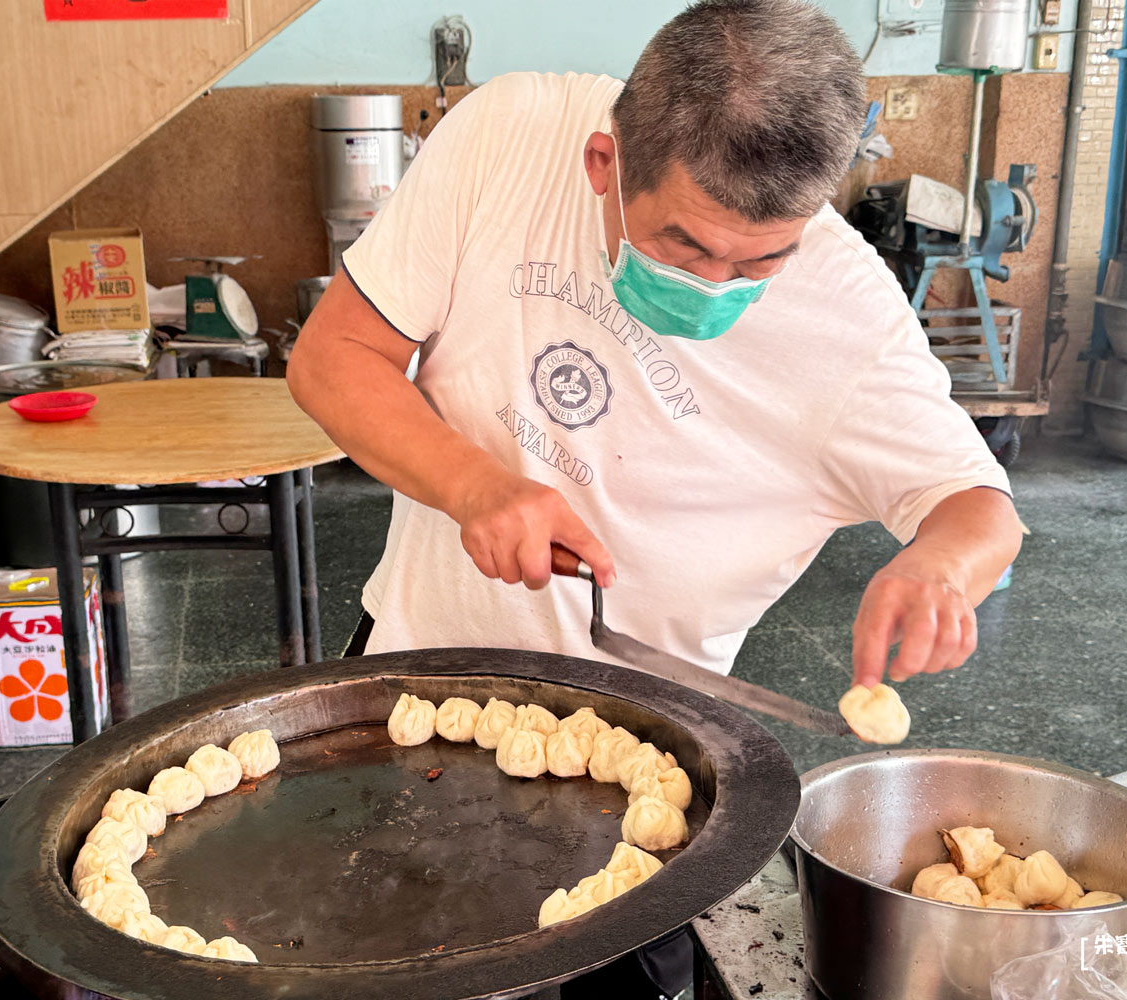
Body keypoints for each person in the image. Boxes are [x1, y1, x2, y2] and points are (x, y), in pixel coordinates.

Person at [291, 0, 1021, 993]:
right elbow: (335, 356)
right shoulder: (509, 139)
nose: (716, 284)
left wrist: (941, 564)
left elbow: (978, 506)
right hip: (416, 677)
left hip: (642, 755)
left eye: (761, 261)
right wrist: (474, 484)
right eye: (684, 247)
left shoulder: (851, 319)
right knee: (368, 953)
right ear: (606, 164)